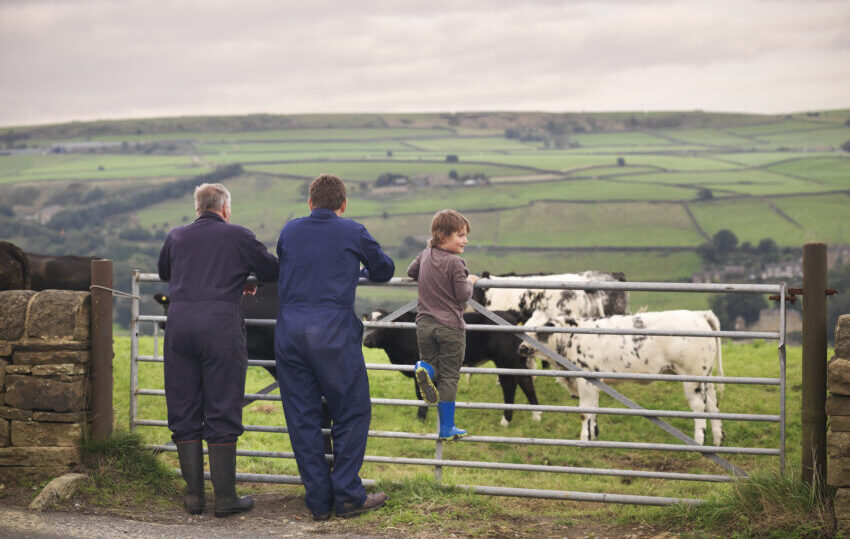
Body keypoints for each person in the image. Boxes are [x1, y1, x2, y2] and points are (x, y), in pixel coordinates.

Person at [274, 174, 395, 521]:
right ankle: (347, 495)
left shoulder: (289, 231)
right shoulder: (352, 231)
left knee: (302, 417)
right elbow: (384, 269)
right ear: (343, 205)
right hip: (334, 334)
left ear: (310, 203)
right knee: (352, 412)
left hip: (290, 333)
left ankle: (317, 501)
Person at [157, 182, 279, 518]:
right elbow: (271, 270)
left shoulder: (176, 237)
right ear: (224, 209)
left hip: (179, 326)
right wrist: (244, 278)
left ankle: (194, 497)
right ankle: (225, 499)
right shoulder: (238, 236)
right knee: (222, 405)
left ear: (197, 207)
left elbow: (165, 272)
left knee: (184, 408)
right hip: (220, 326)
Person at [407, 209, 479, 440]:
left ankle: (424, 368)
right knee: (449, 376)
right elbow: (463, 296)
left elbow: (411, 272)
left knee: (433, 366)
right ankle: (446, 428)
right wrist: (470, 280)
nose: (465, 240)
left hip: (425, 324)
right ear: (443, 235)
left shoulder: (426, 253)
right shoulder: (456, 263)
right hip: (450, 328)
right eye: (460, 235)